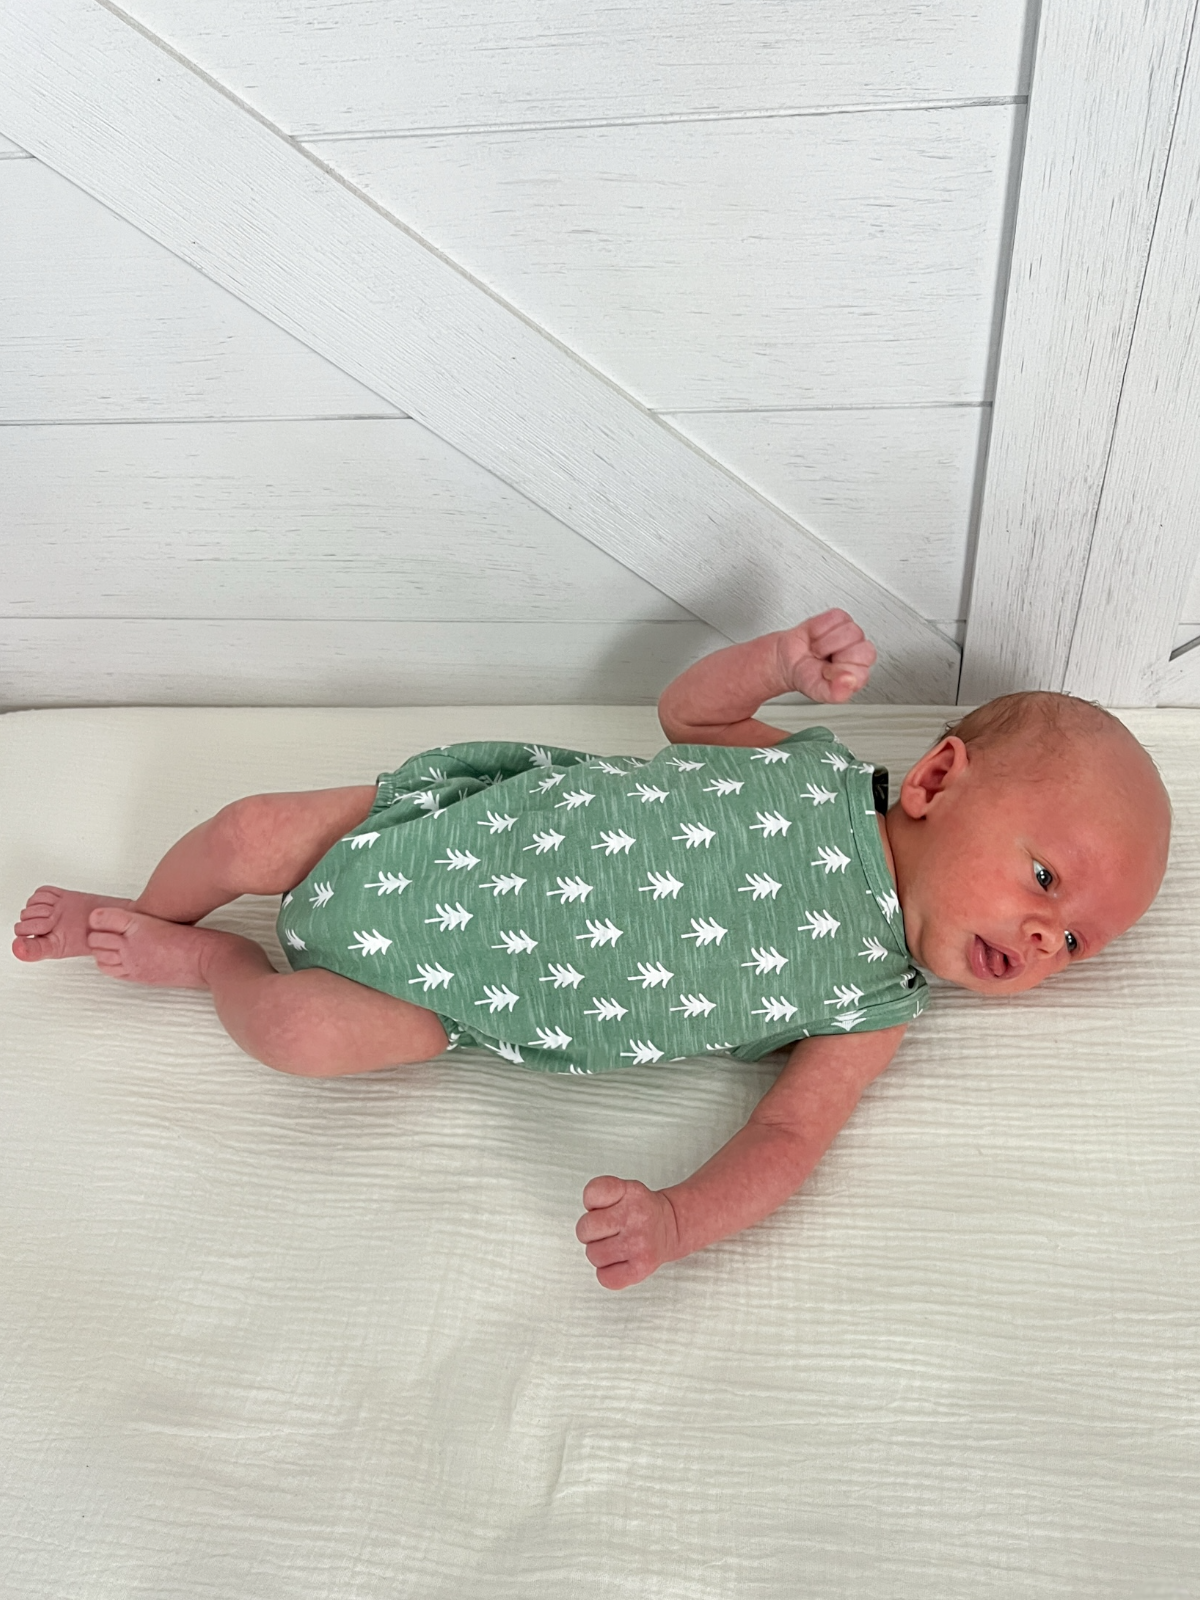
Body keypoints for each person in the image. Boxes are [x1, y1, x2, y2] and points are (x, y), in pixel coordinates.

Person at [11, 610, 1172, 1290]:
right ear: (933, 781)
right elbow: (689, 715)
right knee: (248, 831)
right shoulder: (810, 770)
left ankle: (210, 965)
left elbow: (785, 1139)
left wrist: (677, 1222)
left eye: (1076, 938)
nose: (1044, 935)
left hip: (461, 995)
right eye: (1044, 879)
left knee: (297, 1031)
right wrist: (778, 661)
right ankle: (153, 914)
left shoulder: (874, 1000)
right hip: (442, 828)